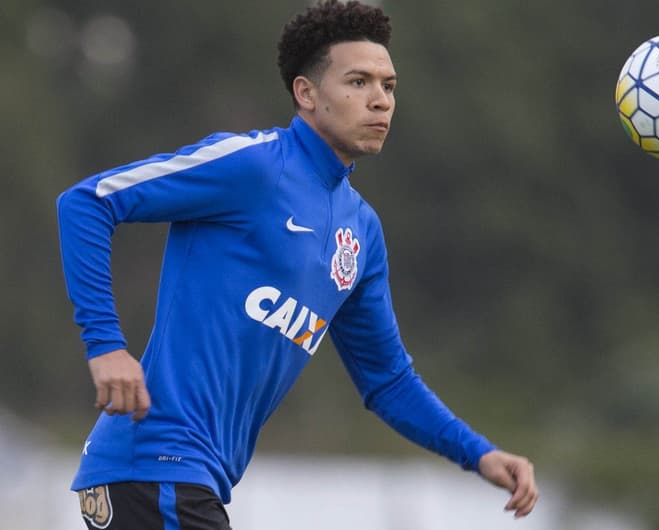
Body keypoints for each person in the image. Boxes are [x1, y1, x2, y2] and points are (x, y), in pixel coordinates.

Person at [57, 1, 538, 528]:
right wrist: (105, 345)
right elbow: (88, 202)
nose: (380, 101)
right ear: (306, 94)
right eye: (358, 82)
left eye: (389, 86)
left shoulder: (361, 233)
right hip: (155, 465)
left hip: (186, 480)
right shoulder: (253, 166)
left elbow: (387, 380)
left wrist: (479, 453)